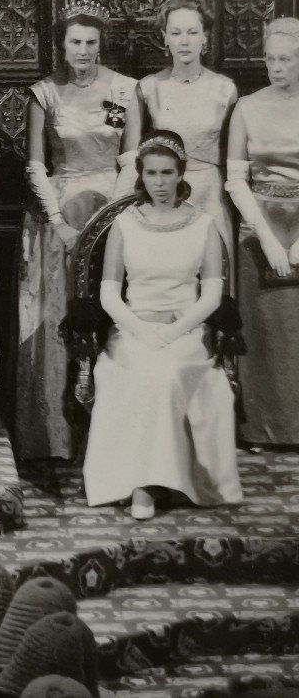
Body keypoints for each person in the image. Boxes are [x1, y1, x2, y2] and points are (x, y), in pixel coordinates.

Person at [83, 131, 241, 520]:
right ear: (141, 175)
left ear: (179, 174)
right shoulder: (124, 224)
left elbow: (211, 296)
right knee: (145, 370)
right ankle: (142, 483)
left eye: (167, 173)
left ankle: (154, 481)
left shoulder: (203, 224)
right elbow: (108, 295)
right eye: (151, 173)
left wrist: (172, 332)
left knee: (168, 373)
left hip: (186, 332)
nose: (159, 182)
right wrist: (142, 331)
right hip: (134, 331)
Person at [14, 0, 141, 465]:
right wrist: (62, 225)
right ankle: (55, 436)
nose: (83, 51)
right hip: (59, 217)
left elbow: (130, 158)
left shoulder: (126, 91)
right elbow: (36, 164)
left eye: (91, 43)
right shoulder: (44, 93)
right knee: (58, 319)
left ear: (100, 44)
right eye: (75, 42)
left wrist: (113, 216)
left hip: (114, 211)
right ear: (61, 46)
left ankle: (117, 438)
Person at [225, 16, 299, 446]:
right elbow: (236, 179)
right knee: (266, 332)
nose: (276, 67)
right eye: (270, 59)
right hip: (260, 220)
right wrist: (268, 238)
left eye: (286, 59)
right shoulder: (247, 107)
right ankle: (264, 428)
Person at [138, 0, 238, 248]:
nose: (184, 41)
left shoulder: (224, 90)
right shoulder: (148, 89)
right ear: (164, 39)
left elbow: (234, 158)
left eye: (192, 32)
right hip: (164, 194)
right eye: (176, 33)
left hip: (210, 195)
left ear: (204, 38)